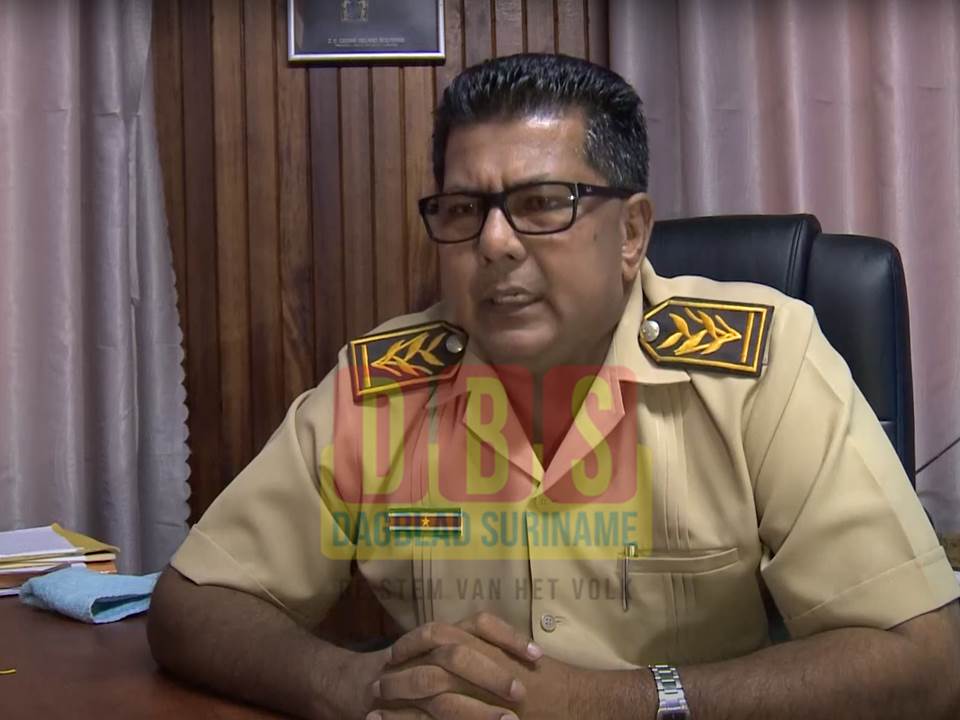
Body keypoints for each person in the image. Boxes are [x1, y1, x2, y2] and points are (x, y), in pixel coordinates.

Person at [148, 53, 960, 720]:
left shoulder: (761, 361)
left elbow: (924, 662)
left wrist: (613, 704)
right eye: (462, 210)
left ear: (631, 233)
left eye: (543, 204)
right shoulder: (383, 386)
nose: (495, 243)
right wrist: (351, 685)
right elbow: (193, 605)